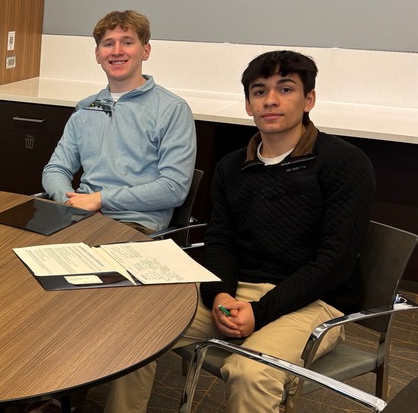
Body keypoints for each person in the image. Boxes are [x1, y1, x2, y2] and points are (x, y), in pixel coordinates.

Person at [105, 50, 376, 413]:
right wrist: (219, 295)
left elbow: (336, 262)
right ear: (248, 105)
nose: (272, 100)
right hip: (237, 293)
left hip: (314, 301)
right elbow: (220, 241)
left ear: (308, 99)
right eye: (260, 92)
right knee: (134, 334)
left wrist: (260, 311)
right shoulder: (233, 166)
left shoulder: (344, 163)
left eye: (286, 89)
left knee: (252, 372)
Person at [41, 10, 196, 233]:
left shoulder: (172, 110)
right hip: (80, 217)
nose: (117, 51)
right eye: (108, 44)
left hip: (134, 225)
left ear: (146, 50)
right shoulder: (86, 108)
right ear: (97, 54)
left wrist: (102, 199)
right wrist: (69, 202)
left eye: (127, 42)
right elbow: (56, 168)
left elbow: (173, 188)